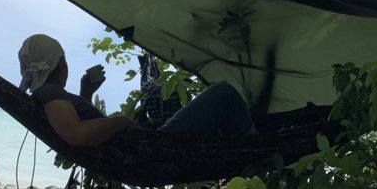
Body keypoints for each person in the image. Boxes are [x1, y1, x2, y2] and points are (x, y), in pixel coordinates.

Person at [18, 34, 255, 148]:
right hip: (152, 149)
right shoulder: (50, 92)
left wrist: (86, 94)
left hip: (144, 147)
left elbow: (80, 126)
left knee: (218, 104)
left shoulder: (47, 94)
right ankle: (252, 145)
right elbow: (78, 135)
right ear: (60, 64)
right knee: (222, 93)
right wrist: (122, 121)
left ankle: (244, 140)